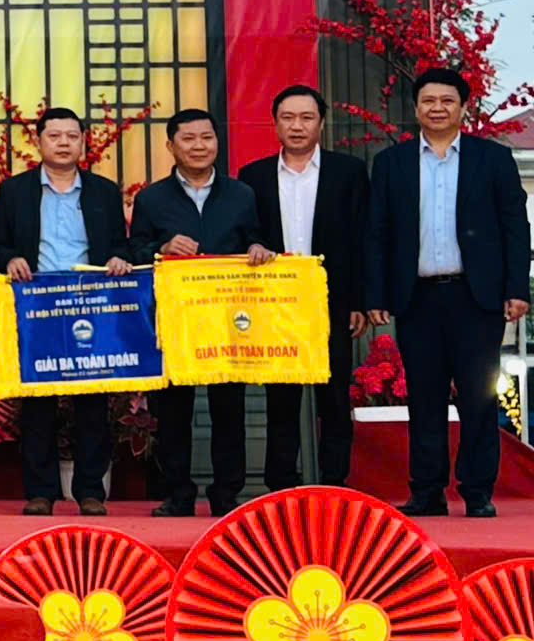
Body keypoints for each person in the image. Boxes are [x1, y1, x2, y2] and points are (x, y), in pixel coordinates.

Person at [365, 66, 532, 519]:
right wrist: (376, 294)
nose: (437, 108)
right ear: (416, 108)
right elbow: (377, 233)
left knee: (479, 397)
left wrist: (517, 288)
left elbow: (515, 228)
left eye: (447, 101)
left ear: (462, 108)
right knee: (424, 398)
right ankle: (427, 490)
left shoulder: (492, 159)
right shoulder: (392, 163)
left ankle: (477, 490)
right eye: (428, 101)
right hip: (417, 297)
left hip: (476, 297)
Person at [130, 109, 276, 517]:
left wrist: (258, 249)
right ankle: (178, 495)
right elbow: (133, 251)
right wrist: (161, 249)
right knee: (173, 413)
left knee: (228, 411)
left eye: (207, 138)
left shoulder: (242, 194)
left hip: (229, 320)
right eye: (189, 139)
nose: (199, 146)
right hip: (174, 319)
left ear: (217, 142)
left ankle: (226, 496)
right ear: (171, 146)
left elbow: (257, 240)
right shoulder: (151, 198)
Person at [0, 106, 137, 516]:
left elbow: (120, 244)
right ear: (38, 141)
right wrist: (10, 259)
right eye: (54, 136)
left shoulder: (103, 191)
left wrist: (119, 258)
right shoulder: (14, 191)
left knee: (93, 404)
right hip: (36, 307)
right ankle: (41, 492)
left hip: (91, 307)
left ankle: (90, 491)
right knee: (37, 404)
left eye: (72, 136)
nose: (63, 143)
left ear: (83, 142)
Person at [239, 85, 371, 489]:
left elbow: (363, 239)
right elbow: (245, 232)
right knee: (281, 400)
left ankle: (334, 483)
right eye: (288, 118)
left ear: (321, 123)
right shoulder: (253, 176)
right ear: (275, 124)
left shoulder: (348, 172)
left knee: (334, 398)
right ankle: (279, 486)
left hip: (332, 302)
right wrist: (254, 245)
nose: (297, 126)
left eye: (306, 117)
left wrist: (359, 301)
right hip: (275, 304)